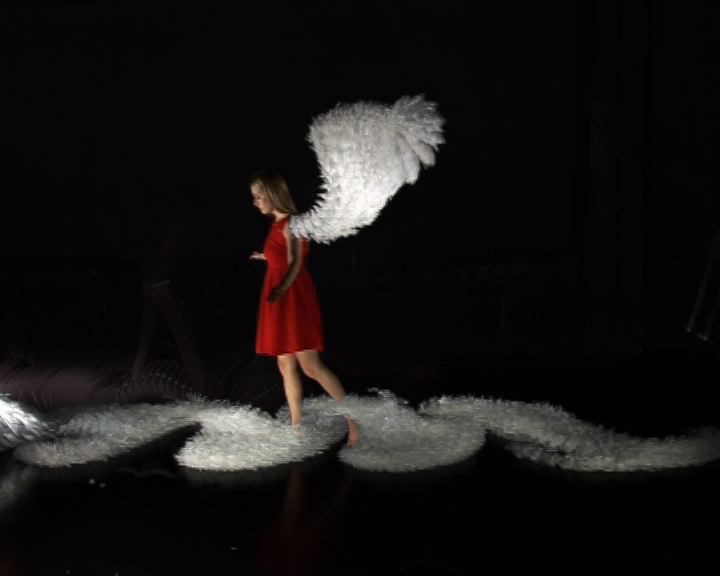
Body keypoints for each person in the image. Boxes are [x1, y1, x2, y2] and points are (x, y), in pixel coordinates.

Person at [249, 169, 359, 446]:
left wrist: (280, 289)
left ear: (273, 194)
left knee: (311, 367)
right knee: (285, 364)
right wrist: (265, 257)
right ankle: (296, 426)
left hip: (292, 298)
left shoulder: (292, 224)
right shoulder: (277, 224)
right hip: (279, 296)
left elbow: (296, 263)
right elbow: (281, 257)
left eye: (259, 196)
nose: (256, 202)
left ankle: (353, 422)